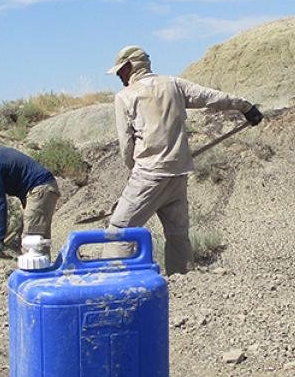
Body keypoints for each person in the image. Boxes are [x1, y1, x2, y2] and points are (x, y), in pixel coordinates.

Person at [104, 45, 263, 275]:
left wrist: (134, 169)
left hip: (148, 174)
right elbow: (211, 97)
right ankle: (184, 284)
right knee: (177, 235)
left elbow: (126, 144)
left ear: (131, 66)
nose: (119, 75)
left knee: (119, 231)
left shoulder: (125, 97)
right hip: (178, 174)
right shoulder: (174, 84)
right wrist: (245, 106)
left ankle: (113, 285)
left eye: (121, 70)